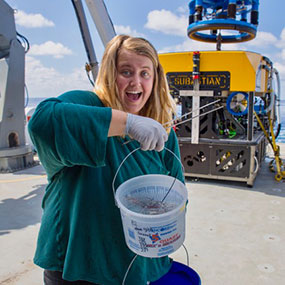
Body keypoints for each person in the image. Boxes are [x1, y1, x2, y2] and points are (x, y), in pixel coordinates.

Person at [28, 34, 184, 285]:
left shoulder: (161, 131)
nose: (136, 82)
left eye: (145, 73)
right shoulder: (87, 104)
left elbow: (176, 193)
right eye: (126, 71)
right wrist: (127, 123)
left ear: (155, 79)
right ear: (110, 74)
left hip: (134, 266)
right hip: (77, 266)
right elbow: (42, 121)